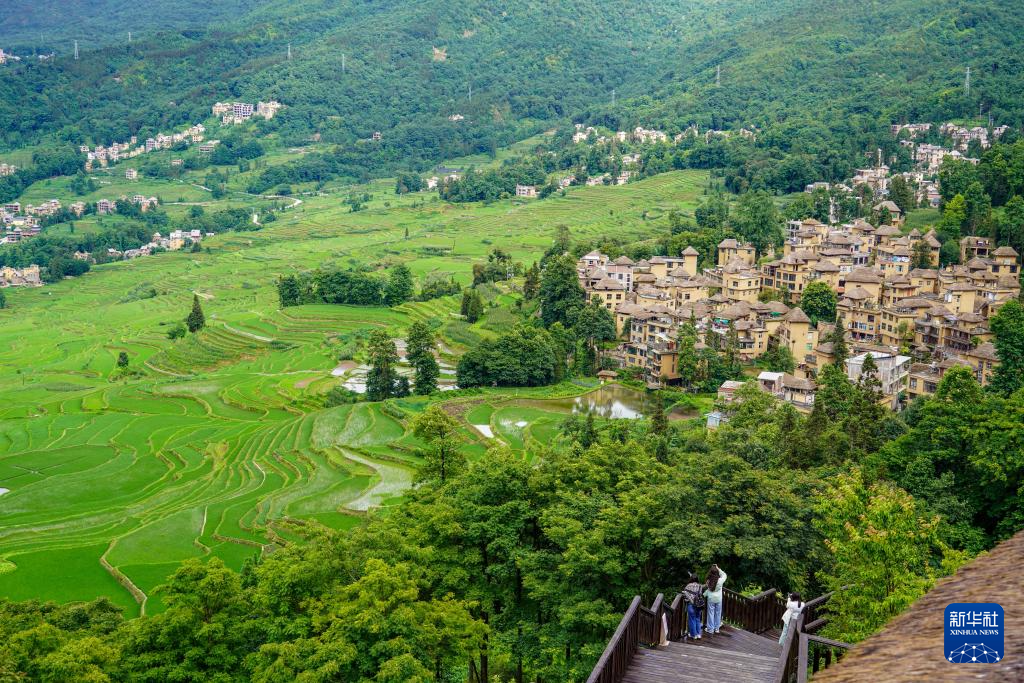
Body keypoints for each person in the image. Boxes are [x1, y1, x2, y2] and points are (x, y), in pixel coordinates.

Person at [703, 564, 727, 634]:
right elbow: (724, 575)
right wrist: (718, 569)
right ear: (717, 572)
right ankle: (717, 629)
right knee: (718, 613)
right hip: (719, 598)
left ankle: (710, 629)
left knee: (710, 613)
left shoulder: (708, 580)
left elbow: (707, 586)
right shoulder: (720, 580)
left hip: (711, 598)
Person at [683, 572, 705, 640]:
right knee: (698, 619)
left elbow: (686, 594)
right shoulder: (700, 586)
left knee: (692, 619)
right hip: (698, 605)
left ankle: (693, 635)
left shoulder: (688, 585)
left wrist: (690, 600)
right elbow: (700, 594)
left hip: (691, 605)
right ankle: (698, 634)